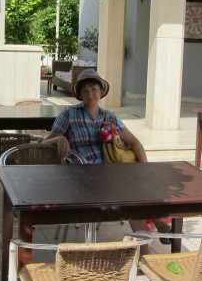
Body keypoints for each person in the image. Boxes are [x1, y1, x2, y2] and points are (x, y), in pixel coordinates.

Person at [43, 69, 170, 239]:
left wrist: (145, 170)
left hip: (110, 174)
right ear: (80, 94)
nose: (90, 94)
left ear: (101, 91)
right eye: (85, 91)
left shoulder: (110, 117)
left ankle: (147, 243)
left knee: (135, 188)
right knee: (131, 192)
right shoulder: (69, 114)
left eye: (94, 89)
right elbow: (43, 143)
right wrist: (60, 139)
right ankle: (158, 224)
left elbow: (135, 143)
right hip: (83, 177)